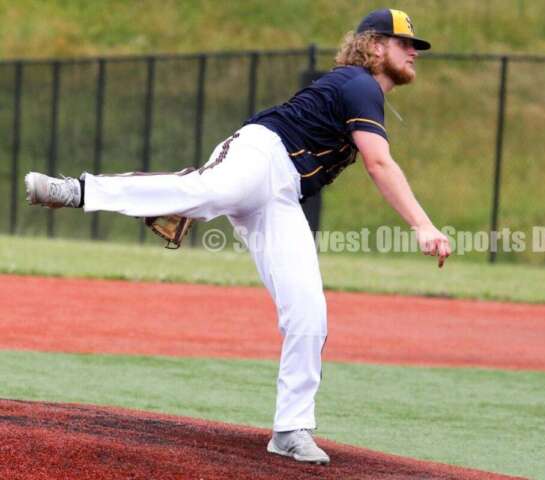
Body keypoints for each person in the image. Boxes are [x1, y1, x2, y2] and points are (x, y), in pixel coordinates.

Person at [24, 8, 451, 465]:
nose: (413, 52)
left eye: (415, 46)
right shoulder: (359, 83)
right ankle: (79, 190)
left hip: (284, 197)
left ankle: (291, 429)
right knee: (210, 191)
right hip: (262, 152)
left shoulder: (363, 93)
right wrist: (423, 225)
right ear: (374, 44)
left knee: (308, 311)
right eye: (404, 42)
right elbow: (379, 164)